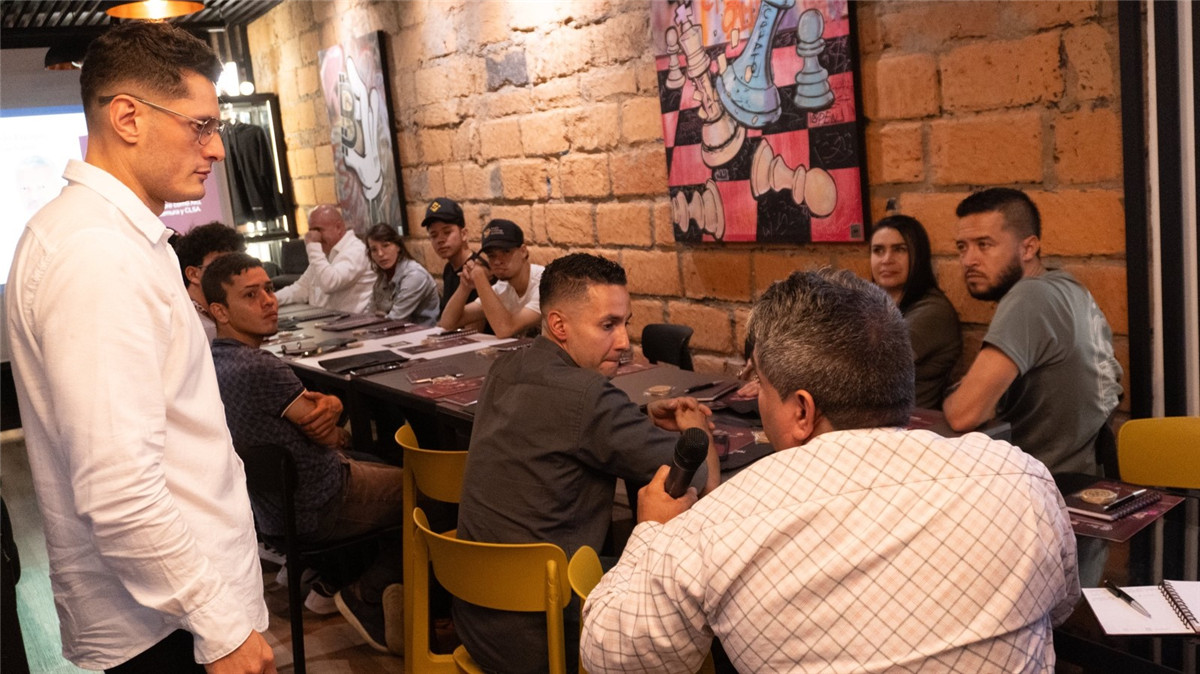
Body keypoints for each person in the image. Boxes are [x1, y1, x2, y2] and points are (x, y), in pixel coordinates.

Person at [580, 269, 1080, 673]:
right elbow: (1058, 606)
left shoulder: (715, 527)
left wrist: (652, 533)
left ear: (801, 410)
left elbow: (613, 658)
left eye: (761, 385)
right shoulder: (1022, 478)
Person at [5, 22, 274, 673]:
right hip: (166, 628)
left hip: (174, 614)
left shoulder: (113, 237)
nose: (215, 149)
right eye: (201, 125)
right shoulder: (97, 252)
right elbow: (120, 487)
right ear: (128, 116)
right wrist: (221, 627)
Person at [455, 253, 720, 674]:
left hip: (476, 619)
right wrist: (697, 431)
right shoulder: (589, 397)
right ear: (560, 326)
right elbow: (702, 482)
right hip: (547, 635)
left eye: (626, 322)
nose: (624, 342)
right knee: (703, 588)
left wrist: (640, 416)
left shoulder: (506, 366)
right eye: (608, 325)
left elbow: (566, 422)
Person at [203, 252, 404, 654]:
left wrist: (329, 405)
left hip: (273, 511)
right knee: (435, 492)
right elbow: (330, 439)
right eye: (250, 295)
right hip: (321, 501)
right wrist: (333, 411)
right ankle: (367, 593)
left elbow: (322, 423)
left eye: (269, 289)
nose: (269, 301)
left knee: (380, 462)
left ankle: (332, 574)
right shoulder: (261, 368)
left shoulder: (213, 361)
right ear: (220, 311)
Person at [943, 188, 1122, 475]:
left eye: (984, 244)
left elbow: (965, 413)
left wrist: (956, 395)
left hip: (1043, 488)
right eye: (962, 247)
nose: (969, 260)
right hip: (1089, 477)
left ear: (1028, 248)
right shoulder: (1069, 288)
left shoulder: (1029, 297)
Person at [869, 214, 962, 409]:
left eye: (899, 250)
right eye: (878, 250)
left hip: (911, 430)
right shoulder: (872, 306)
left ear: (918, 256)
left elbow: (871, 368)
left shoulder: (933, 312)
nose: (886, 260)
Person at [438, 219, 542, 338]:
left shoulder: (545, 283)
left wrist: (479, 276)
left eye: (506, 252)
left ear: (523, 251)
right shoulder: (502, 288)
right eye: (492, 256)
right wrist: (465, 287)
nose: (497, 261)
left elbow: (505, 329)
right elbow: (447, 324)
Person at [273, 204, 374, 314]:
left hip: (352, 324)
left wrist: (313, 246)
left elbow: (330, 283)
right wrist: (271, 300)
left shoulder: (357, 250)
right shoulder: (325, 252)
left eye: (318, 230)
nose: (314, 236)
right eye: (311, 231)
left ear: (338, 228)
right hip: (326, 321)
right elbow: (302, 288)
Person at [172, 221, 246, 341]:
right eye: (223, 264)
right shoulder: (190, 325)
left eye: (238, 265)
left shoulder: (213, 314)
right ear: (193, 274)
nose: (234, 273)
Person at [364, 222, 439, 325]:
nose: (380, 254)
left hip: (423, 337)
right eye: (374, 250)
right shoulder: (383, 276)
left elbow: (395, 319)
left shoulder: (414, 275)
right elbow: (370, 315)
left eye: (385, 246)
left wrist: (381, 317)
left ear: (398, 247)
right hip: (394, 334)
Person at [420, 196, 478, 313]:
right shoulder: (449, 269)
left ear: (464, 234)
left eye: (447, 232)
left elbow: (474, 327)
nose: (440, 240)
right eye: (434, 235)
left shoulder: (476, 268)